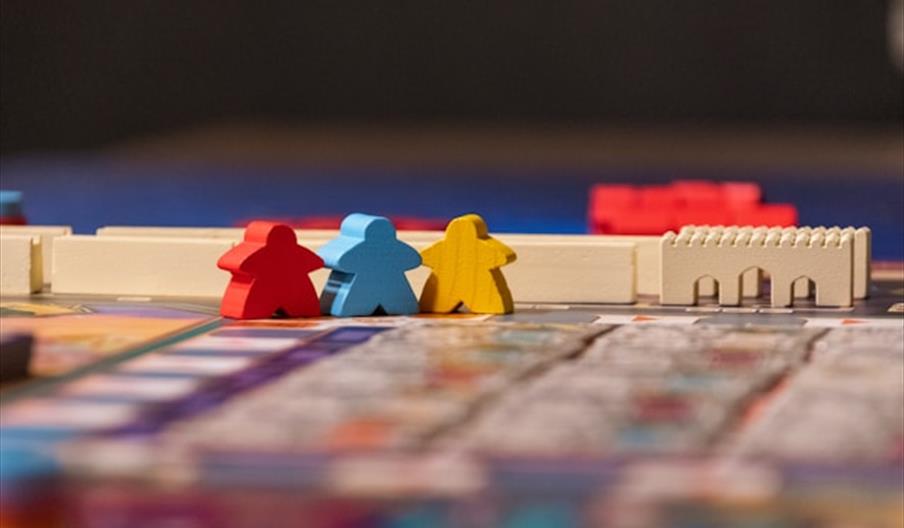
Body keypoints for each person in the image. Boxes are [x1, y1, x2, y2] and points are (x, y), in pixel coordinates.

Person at [318, 214, 422, 316]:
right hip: (365, 287)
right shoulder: (360, 248)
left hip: (382, 286)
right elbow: (414, 259)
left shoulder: (389, 247)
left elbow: (339, 260)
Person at [218, 221, 323, 319]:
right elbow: (318, 262)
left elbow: (230, 262)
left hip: (281, 292)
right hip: (266, 292)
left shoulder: (259, 253)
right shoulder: (295, 251)